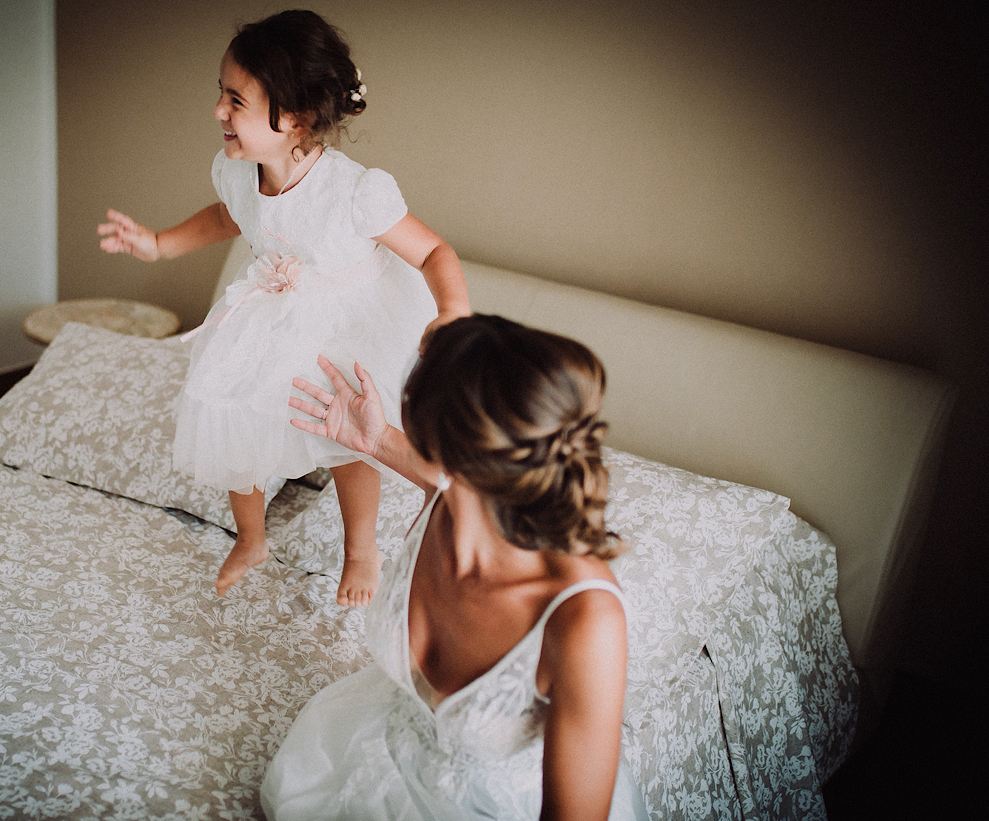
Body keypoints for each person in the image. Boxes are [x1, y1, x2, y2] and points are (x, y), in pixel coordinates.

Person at [99, 9, 469, 605]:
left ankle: (361, 550)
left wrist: (452, 313)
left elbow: (433, 252)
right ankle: (251, 538)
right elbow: (227, 218)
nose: (218, 111)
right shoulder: (238, 173)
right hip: (277, 310)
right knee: (231, 403)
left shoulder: (353, 191)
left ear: (295, 118)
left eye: (236, 100)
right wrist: (159, 243)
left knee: (350, 431)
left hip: (352, 318)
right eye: (220, 93)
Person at [261, 315, 649, 820]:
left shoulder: (584, 620)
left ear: (442, 446)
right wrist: (375, 440)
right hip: (371, 765)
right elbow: (433, 476)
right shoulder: (448, 500)